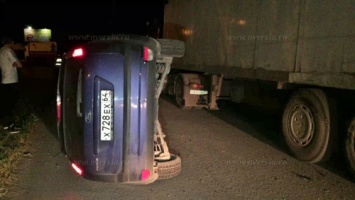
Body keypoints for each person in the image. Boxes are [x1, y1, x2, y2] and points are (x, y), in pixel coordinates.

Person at [0, 37, 22, 133]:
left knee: (6, 104)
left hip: (4, 80)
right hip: (11, 81)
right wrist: (15, 63)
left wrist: (12, 64)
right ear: (11, 43)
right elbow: (19, 64)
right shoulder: (9, 51)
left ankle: (6, 125)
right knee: (12, 104)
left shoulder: (1, 50)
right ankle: (11, 126)